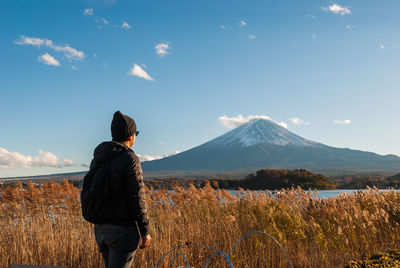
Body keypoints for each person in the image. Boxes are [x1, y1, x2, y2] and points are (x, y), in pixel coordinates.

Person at [90, 111, 151, 268]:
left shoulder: (98, 158)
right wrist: (145, 231)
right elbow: (137, 197)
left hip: (101, 230)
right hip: (122, 230)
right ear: (131, 136)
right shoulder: (130, 158)